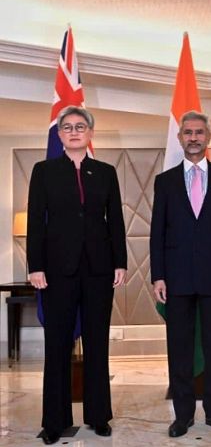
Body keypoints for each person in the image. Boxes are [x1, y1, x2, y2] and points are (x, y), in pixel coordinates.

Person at [27, 106, 127, 445]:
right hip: (57, 270)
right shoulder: (44, 171)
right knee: (57, 344)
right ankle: (55, 421)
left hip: (99, 269)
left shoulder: (106, 172)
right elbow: (35, 222)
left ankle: (99, 416)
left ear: (90, 133)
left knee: (98, 343)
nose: (73, 131)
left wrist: (120, 262)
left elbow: (115, 220)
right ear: (59, 135)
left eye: (80, 126)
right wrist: (35, 266)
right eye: (67, 127)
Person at [150, 110, 211, 438]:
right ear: (180, 138)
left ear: (208, 137)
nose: (193, 137)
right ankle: (183, 415)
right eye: (188, 132)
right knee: (180, 348)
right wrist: (158, 276)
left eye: (199, 132)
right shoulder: (165, 182)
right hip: (176, 279)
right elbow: (157, 233)